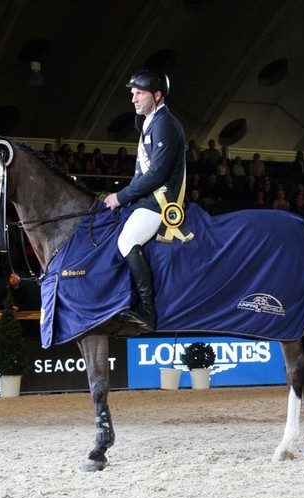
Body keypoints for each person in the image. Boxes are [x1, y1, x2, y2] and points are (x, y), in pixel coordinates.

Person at [102, 70, 186, 332]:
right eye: (133, 94)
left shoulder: (165, 124)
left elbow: (156, 174)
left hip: (160, 202)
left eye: (139, 94)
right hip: (146, 200)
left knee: (127, 240)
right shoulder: (148, 121)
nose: (134, 99)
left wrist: (121, 196)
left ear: (157, 95)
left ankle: (147, 310)